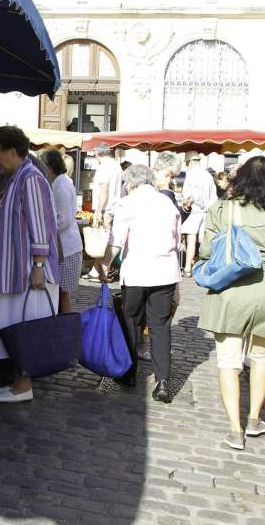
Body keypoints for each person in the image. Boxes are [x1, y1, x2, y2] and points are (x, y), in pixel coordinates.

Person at [197, 157, 265, 450]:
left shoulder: (223, 209)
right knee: (260, 357)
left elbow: (207, 250)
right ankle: (255, 419)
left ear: (241, 179)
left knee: (228, 362)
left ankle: (235, 429)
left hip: (230, 292)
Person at [0, 126, 60, 404]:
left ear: (12, 151)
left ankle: (24, 385)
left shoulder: (31, 179)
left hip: (28, 271)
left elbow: (41, 225)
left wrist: (39, 263)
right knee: (15, 326)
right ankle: (18, 382)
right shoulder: (18, 177)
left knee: (26, 328)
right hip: (15, 270)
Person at [97, 165, 181, 403]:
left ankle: (129, 372)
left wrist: (104, 264)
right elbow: (176, 239)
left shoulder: (128, 203)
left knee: (131, 322)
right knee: (160, 326)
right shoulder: (166, 202)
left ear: (130, 184)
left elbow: (116, 240)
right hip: (165, 272)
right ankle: (163, 381)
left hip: (137, 272)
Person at [40, 149, 83, 313]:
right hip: (65, 246)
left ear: (49, 166)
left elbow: (63, 219)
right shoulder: (60, 182)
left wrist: (43, 231)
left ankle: (65, 327)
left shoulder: (61, 185)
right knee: (59, 292)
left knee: (62, 292)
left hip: (67, 248)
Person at [181, 154, 218, 276]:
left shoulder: (191, 174)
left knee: (190, 239)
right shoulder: (207, 175)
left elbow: (188, 194)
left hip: (194, 210)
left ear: (190, 161)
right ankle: (203, 266)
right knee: (203, 240)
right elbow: (214, 195)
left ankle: (187, 267)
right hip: (207, 211)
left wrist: (189, 202)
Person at [91, 143, 122, 230]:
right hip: (113, 208)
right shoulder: (117, 165)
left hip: (105, 210)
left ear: (97, 153)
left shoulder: (104, 166)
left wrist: (99, 211)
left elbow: (104, 189)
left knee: (100, 239)